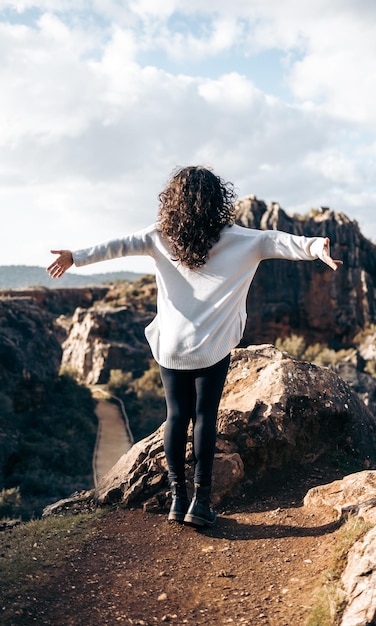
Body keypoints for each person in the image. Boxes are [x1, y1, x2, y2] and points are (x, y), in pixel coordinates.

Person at [47, 165, 342, 527]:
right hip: (212, 347)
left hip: (171, 347)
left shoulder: (159, 236)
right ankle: (200, 504)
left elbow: (116, 245)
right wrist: (315, 247)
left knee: (176, 416)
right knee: (204, 417)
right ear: (217, 200)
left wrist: (75, 256)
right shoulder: (241, 239)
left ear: (173, 202)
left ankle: (177, 499)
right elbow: (278, 241)